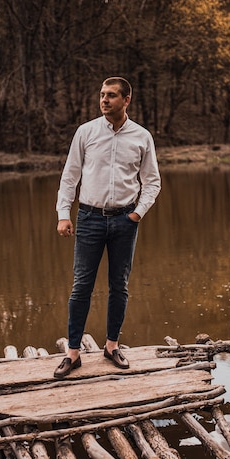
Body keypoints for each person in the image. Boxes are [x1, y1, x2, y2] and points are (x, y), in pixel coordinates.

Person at [54, 76, 161, 379]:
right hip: (88, 219)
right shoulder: (85, 132)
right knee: (81, 287)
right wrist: (64, 214)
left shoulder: (142, 137)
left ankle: (111, 346)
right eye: (102, 95)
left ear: (126, 100)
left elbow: (152, 182)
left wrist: (138, 214)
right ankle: (73, 353)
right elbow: (70, 177)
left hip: (125, 220)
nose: (104, 100)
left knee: (119, 286)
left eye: (111, 96)